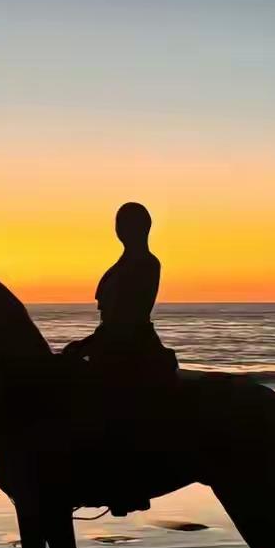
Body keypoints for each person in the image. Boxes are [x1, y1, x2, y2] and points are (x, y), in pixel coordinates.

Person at [64, 202, 178, 514]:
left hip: (132, 348)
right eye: (118, 223)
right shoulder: (124, 262)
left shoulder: (146, 264)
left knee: (113, 405)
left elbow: (127, 318)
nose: (119, 228)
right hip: (111, 345)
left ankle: (126, 485)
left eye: (125, 223)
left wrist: (87, 345)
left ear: (140, 228)